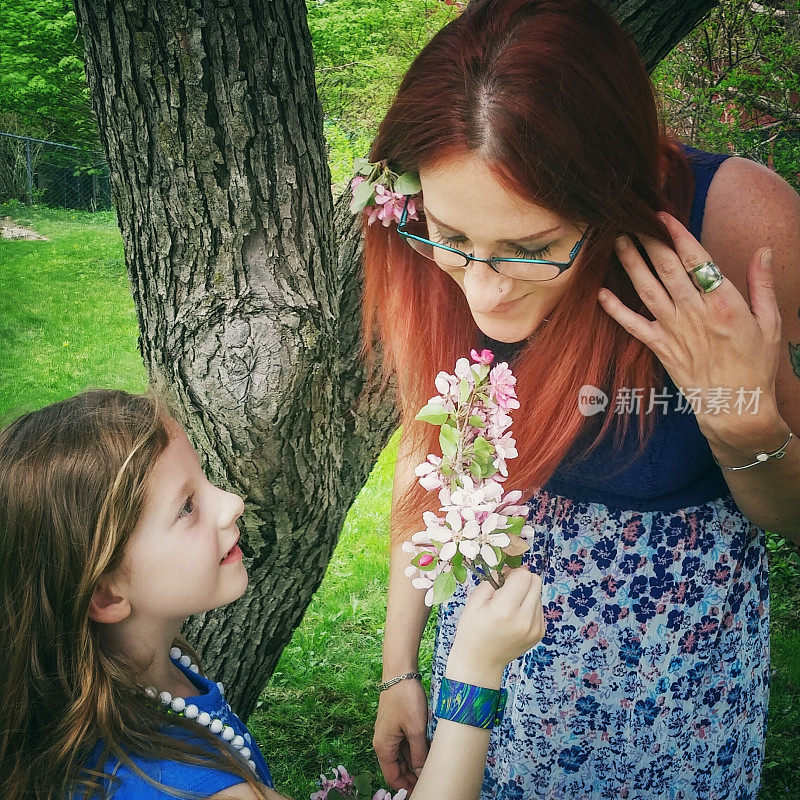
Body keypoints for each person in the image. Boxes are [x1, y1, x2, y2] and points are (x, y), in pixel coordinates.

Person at [362, 1, 800, 798]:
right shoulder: (426, 237)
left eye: (529, 249)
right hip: (492, 657)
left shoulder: (736, 223)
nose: (483, 296)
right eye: (452, 239)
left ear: (611, 198)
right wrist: (400, 669)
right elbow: (436, 457)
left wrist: (743, 422)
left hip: (676, 674)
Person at [0, 388, 545, 800]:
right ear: (106, 595)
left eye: (204, 482)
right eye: (187, 507)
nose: (231, 502)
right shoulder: (188, 788)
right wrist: (474, 669)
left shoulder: (135, 680)